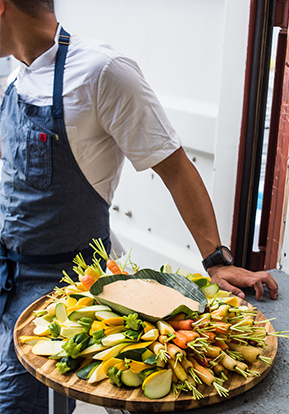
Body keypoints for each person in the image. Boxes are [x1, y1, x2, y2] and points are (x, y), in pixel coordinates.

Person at [0, 0, 278, 413]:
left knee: (15, 404)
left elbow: (177, 169)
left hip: (61, 283)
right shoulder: (15, 74)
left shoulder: (102, 71)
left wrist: (216, 261)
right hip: (8, 269)